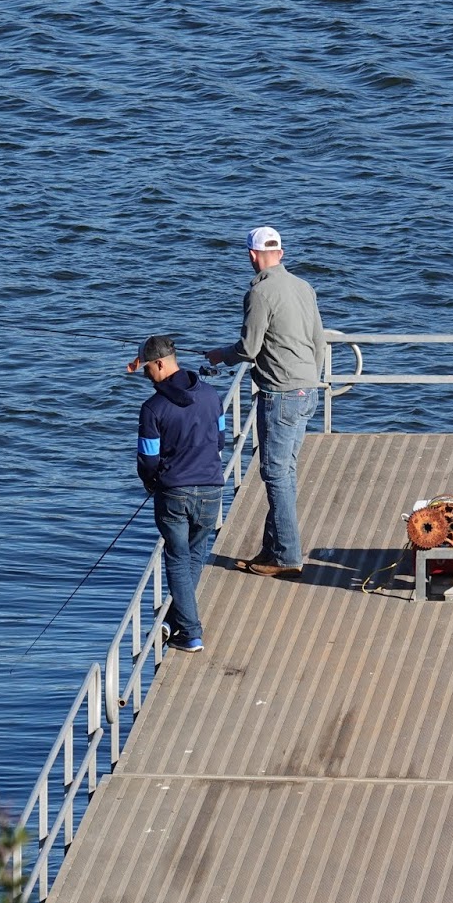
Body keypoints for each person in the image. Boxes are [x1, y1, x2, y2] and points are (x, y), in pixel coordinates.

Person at [203, 225, 327, 579]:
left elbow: (248, 348)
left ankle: (287, 556)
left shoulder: (260, 293)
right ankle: (272, 549)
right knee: (284, 471)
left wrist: (219, 355)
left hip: (281, 394)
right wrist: (308, 378)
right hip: (308, 389)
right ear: (281, 254)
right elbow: (319, 342)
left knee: (275, 474)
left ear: (252, 256)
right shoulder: (304, 287)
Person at [133, 335, 226, 653]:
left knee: (176, 558)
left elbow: (148, 459)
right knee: (195, 555)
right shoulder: (212, 396)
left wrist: (150, 481)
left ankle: (190, 632)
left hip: (174, 493)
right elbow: (221, 440)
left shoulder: (152, 408)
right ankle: (177, 617)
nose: (146, 374)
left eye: (147, 368)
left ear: (161, 363)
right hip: (212, 488)